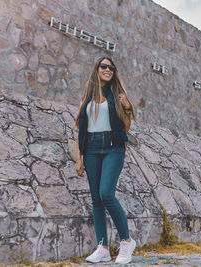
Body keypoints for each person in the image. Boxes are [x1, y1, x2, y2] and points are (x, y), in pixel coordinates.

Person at [74, 57, 136, 264]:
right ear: (97, 69)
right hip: (91, 148)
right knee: (96, 200)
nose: (108, 69)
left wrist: (127, 108)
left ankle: (126, 242)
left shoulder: (118, 95)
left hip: (113, 147)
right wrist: (79, 158)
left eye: (111, 67)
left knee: (106, 193)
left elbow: (126, 126)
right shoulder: (88, 95)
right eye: (104, 66)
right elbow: (81, 129)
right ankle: (103, 248)